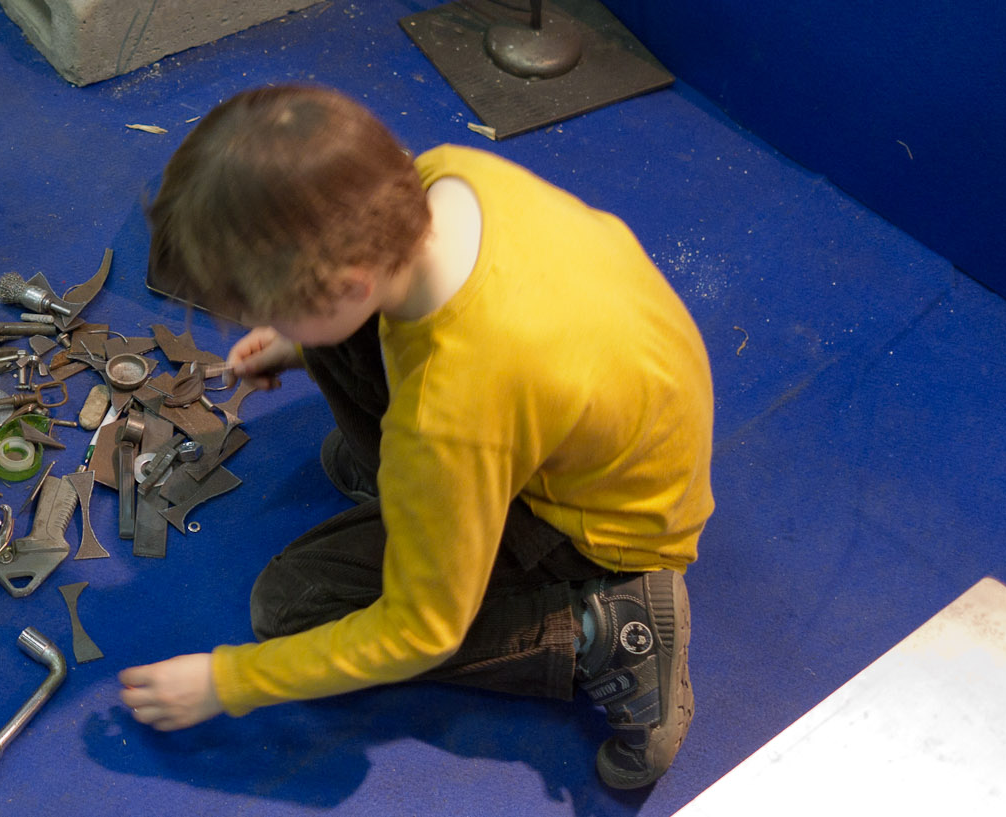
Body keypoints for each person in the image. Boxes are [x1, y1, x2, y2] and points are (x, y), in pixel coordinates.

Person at [116, 85, 713, 789]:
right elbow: (371, 310)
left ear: (347, 286)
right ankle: (422, 488)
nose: (242, 321)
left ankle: (604, 628)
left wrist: (229, 681)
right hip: (622, 420)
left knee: (290, 604)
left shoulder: (449, 411)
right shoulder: (446, 174)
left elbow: (421, 632)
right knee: (343, 351)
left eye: (258, 307)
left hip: (604, 528)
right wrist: (300, 341)